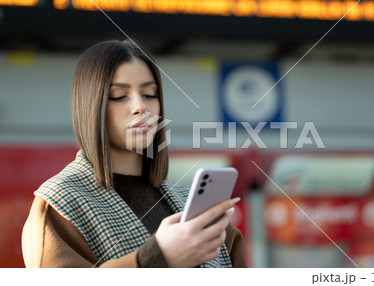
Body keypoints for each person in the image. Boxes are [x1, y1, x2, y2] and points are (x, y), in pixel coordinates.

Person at [21, 39, 246, 268]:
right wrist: (156, 258)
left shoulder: (187, 203)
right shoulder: (60, 205)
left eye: (150, 94)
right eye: (119, 96)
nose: (140, 106)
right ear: (90, 106)